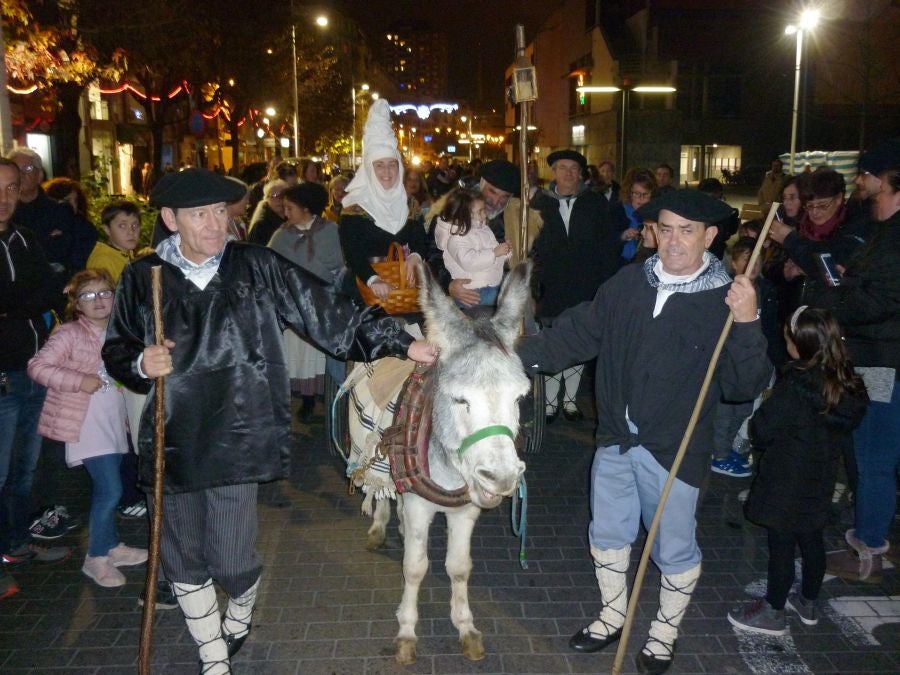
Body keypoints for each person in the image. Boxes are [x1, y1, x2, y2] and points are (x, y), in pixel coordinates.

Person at [101, 168, 436, 673]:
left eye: (220, 212)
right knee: (181, 554)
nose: (215, 224)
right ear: (170, 219)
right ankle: (214, 657)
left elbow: (325, 311)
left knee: (233, 560)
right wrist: (139, 363)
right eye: (199, 214)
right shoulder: (143, 276)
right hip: (173, 436)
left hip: (240, 431)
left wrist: (401, 343)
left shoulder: (255, 265)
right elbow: (117, 349)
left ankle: (240, 606)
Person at [518, 189, 771, 674]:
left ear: (709, 237)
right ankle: (613, 615)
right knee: (607, 533)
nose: (673, 241)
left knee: (673, 547)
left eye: (687, 231)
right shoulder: (628, 282)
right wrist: (511, 357)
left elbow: (745, 387)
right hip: (616, 439)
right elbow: (577, 334)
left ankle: (664, 632)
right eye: (665, 228)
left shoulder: (726, 301)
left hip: (674, 450)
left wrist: (747, 321)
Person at [728, 307, 867, 634]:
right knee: (811, 537)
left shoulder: (795, 386)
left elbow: (763, 430)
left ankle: (773, 611)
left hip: (785, 479)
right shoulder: (844, 383)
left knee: (781, 545)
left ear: (799, 345)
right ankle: (808, 600)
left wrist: (761, 418)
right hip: (820, 478)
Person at [796, 153, 900, 583]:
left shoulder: (894, 237)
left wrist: (835, 292)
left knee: (873, 457)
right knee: (877, 455)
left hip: (882, 360)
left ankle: (869, 551)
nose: (859, 181)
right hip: (875, 354)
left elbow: (881, 301)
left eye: (867, 175)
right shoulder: (881, 229)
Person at [27, 269, 150, 588]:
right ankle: (95, 557)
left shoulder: (119, 332)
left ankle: (111, 546)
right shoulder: (69, 333)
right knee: (110, 489)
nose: (98, 300)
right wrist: (78, 380)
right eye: (88, 295)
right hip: (86, 424)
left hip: (113, 422)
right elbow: (37, 367)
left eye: (105, 293)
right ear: (76, 303)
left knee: (110, 488)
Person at [0, 158, 74, 580]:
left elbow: (49, 289)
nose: (4, 198)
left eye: (12, 187)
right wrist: (27, 299)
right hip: (4, 376)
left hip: (34, 368)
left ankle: (15, 543)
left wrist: (21, 301)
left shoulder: (24, 237)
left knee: (24, 469)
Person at [530, 149, 622, 424]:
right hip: (551, 288)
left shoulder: (595, 203)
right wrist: (533, 287)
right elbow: (530, 247)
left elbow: (608, 247)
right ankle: (549, 402)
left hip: (585, 287)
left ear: (581, 173)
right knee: (552, 344)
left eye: (574, 169)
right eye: (562, 168)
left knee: (579, 345)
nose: (568, 173)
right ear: (554, 172)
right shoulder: (539, 203)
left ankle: (569, 400)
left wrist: (605, 287)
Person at [268, 182, 345, 419]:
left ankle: (325, 393)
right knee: (301, 354)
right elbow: (271, 267)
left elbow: (339, 266)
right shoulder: (282, 236)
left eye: (290, 208)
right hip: (296, 306)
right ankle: (306, 399)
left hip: (325, 305)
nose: (285, 213)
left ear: (306, 208)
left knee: (321, 352)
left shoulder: (330, 231)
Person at [339, 99, 427, 303]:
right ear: (369, 169)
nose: (387, 172)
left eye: (392, 164)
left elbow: (420, 238)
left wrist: (415, 257)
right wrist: (373, 279)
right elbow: (352, 252)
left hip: (404, 290)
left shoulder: (409, 204)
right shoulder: (355, 207)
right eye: (379, 165)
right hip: (365, 290)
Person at [6, 148, 97, 279]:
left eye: (28, 168)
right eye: (16, 169)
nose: (21, 174)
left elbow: (70, 250)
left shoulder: (59, 211)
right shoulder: (5, 213)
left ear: (40, 175)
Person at [433, 187, 511, 308]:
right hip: (472, 291)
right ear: (465, 215)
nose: (484, 215)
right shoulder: (456, 237)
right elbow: (469, 261)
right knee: (511, 297)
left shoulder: (483, 229)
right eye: (480, 211)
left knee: (517, 290)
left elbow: (495, 253)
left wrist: (506, 251)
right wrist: (494, 253)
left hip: (489, 283)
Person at [85, 200, 152, 283]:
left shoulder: (126, 253)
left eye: (135, 225)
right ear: (107, 229)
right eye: (122, 226)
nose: (131, 231)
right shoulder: (104, 262)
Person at [613, 168, 657, 264]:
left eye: (645, 194)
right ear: (629, 193)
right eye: (637, 193)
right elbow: (605, 243)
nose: (641, 198)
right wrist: (622, 236)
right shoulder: (616, 211)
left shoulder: (655, 215)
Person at [246, 178, 287, 245]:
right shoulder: (261, 225)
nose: (278, 199)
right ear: (266, 199)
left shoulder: (290, 216)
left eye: (281, 195)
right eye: (273, 196)